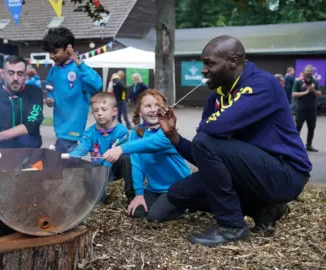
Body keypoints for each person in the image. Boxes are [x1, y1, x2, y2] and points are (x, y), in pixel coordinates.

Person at [102, 35, 311, 247]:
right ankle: (263, 210)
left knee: (205, 139)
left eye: (209, 63)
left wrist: (206, 132)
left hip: (285, 174)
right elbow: (204, 154)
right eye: (203, 64)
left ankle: (232, 226)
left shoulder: (261, 84)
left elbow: (211, 132)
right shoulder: (217, 98)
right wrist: (173, 135)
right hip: (251, 172)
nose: (203, 70)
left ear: (233, 62)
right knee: (179, 192)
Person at [126, 89, 191, 221]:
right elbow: (136, 164)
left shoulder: (167, 134)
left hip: (176, 187)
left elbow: (150, 143)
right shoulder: (135, 133)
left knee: (154, 216)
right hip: (154, 188)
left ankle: (188, 203)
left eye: (157, 106)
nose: (153, 109)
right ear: (140, 111)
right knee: (137, 212)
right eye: (148, 106)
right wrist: (139, 194)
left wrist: (120, 149)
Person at [42, 27, 102, 153]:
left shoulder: (79, 69)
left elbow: (97, 84)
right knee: (64, 166)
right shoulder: (54, 70)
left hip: (74, 131)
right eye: (50, 53)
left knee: (65, 165)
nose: (52, 56)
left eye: (55, 52)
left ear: (68, 48)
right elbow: (50, 86)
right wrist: (50, 96)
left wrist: (77, 61)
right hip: (59, 129)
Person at [69, 92, 134, 202]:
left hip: (115, 168)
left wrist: (101, 175)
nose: (99, 113)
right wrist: (73, 157)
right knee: (96, 199)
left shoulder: (121, 132)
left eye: (104, 109)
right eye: (96, 110)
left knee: (126, 159)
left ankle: (132, 196)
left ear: (114, 112)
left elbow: (113, 156)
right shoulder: (90, 132)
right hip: (97, 168)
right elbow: (82, 147)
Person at [0, 55, 44, 149]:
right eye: (11, 73)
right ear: (3, 73)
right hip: (2, 155)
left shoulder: (35, 92)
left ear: (25, 75)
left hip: (31, 154)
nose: (15, 78)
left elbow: (31, 124)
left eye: (20, 73)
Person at [292, 65, 322, 152]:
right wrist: (306, 92)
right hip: (301, 109)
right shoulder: (298, 82)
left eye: (310, 71)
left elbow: (319, 93)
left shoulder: (315, 82)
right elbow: (294, 94)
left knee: (311, 127)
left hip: (312, 109)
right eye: (307, 71)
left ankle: (309, 145)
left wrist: (313, 90)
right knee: (298, 128)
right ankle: (294, 145)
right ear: (304, 71)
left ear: (312, 72)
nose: (309, 72)